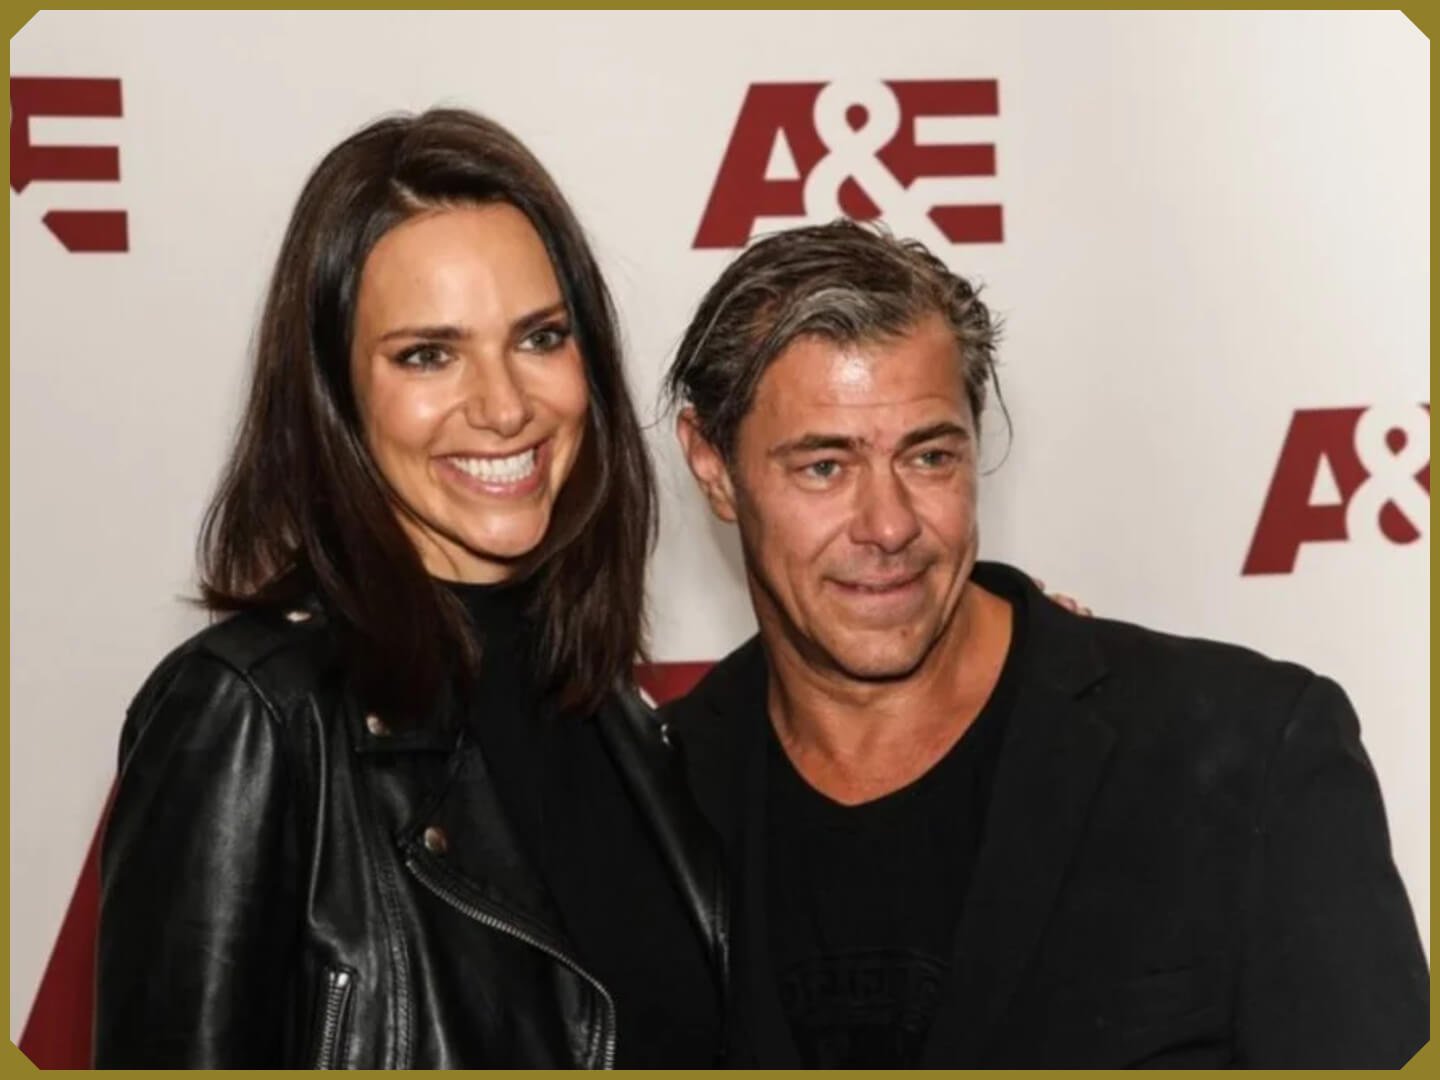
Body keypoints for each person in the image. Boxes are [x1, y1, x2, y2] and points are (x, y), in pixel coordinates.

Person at [661, 219, 1428, 1068]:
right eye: (824, 468)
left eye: (929, 457)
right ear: (713, 466)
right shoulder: (655, 798)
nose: (889, 525)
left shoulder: (1246, 754)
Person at [93, 109, 724, 1068]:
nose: (505, 406)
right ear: (334, 398)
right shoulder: (252, 717)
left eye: (540, 337)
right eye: (428, 354)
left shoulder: (618, 718)